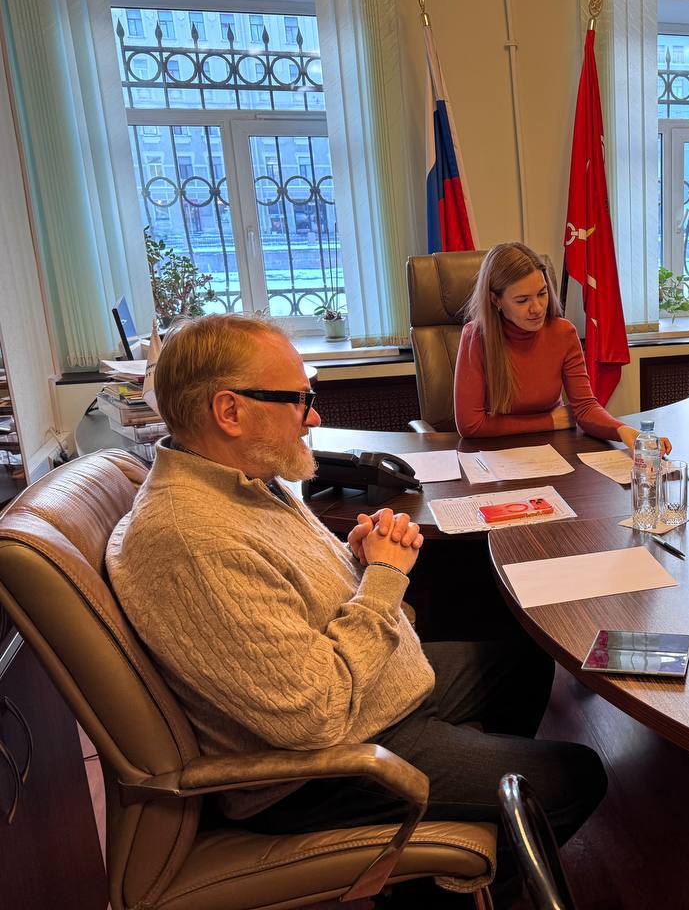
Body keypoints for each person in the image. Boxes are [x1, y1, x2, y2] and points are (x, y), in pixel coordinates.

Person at [107, 314, 605, 905]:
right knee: (576, 777)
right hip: (325, 767)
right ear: (229, 411)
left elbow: (284, 605)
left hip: (374, 693)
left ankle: (468, 818)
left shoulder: (243, 481)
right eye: (298, 400)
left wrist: (358, 561)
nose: (313, 417)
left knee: (525, 658)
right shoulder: (191, 538)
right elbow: (313, 715)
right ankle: (442, 888)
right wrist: (385, 579)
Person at [454, 242, 670, 453]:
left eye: (542, 293)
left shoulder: (563, 333)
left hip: (553, 449)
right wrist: (551, 421)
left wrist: (624, 431)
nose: (537, 308)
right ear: (495, 300)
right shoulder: (476, 337)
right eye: (522, 300)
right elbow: (470, 425)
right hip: (494, 454)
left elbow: (585, 408)